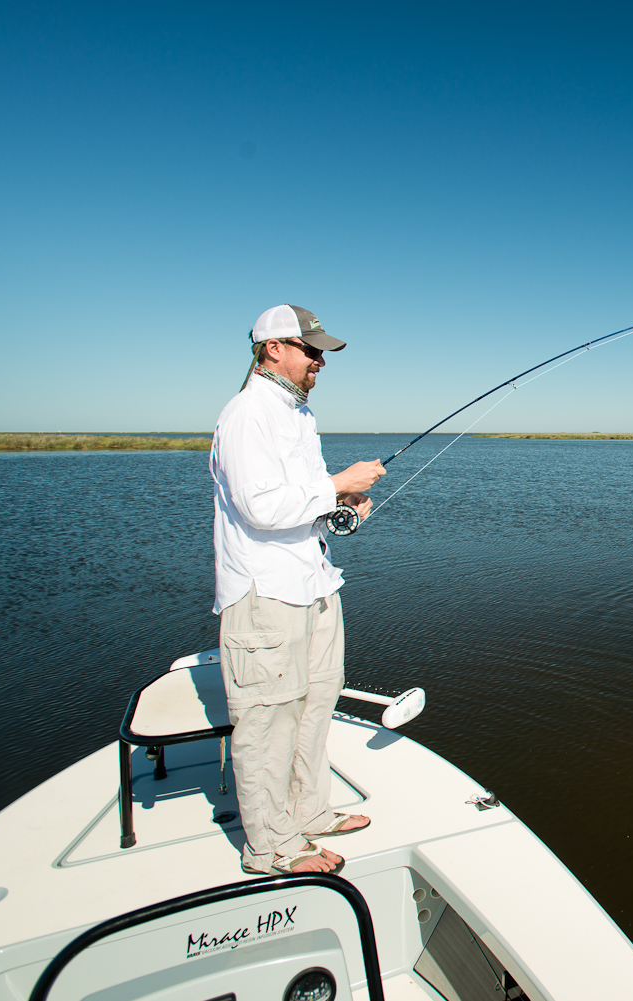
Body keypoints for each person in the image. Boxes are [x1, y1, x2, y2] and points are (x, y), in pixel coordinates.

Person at [209, 304, 386, 874]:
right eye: (310, 350)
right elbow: (259, 507)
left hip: (314, 584)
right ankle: (269, 847)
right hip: (266, 595)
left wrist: (343, 507)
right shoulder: (246, 415)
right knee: (267, 720)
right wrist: (337, 483)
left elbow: (300, 503)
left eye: (321, 353)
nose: (319, 361)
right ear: (272, 348)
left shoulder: (298, 416)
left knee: (316, 704)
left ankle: (309, 813)